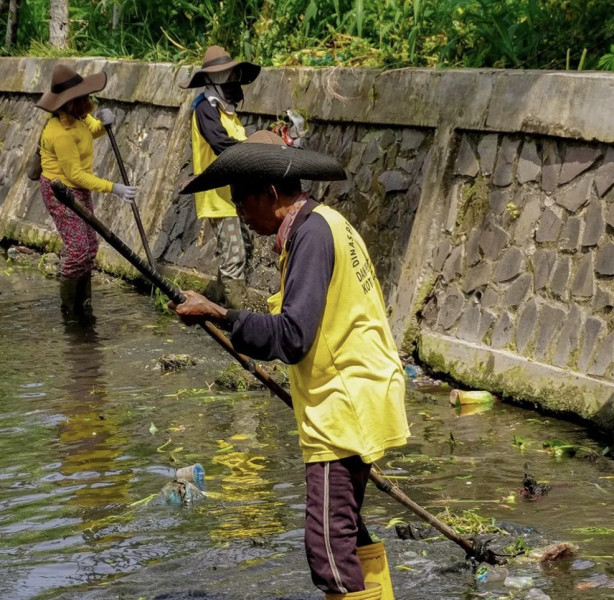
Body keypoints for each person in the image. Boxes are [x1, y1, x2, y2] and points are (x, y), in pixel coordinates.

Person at [171, 131, 410, 600]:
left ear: (272, 194)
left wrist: (220, 314)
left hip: (345, 408)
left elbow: (294, 336)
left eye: (242, 201)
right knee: (343, 528)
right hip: (357, 394)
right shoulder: (321, 224)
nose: (239, 211)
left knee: (326, 547)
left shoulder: (313, 237)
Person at [36, 64, 137, 316]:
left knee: (90, 246)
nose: (89, 102)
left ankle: (84, 305)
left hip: (76, 189)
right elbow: (75, 175)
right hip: (59, 191)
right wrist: (113, 188)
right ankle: (69, 310)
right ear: (70, 103)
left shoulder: (79, 117)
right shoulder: (59, 133)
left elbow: (92, 130)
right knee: (78, 249)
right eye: (84, 98)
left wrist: (105, 123)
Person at [179, 45, 261, 309]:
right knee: (234, 254)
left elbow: (236, 141)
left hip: (234, 192)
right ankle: (240, 317)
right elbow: (220, 143)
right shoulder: (205, 108)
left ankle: (212, 301)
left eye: (234, 74)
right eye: (228, 75)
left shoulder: (225, 108)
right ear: (213, 79)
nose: (234, 80)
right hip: (217, 194)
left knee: (243, 248)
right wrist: (254, 151)